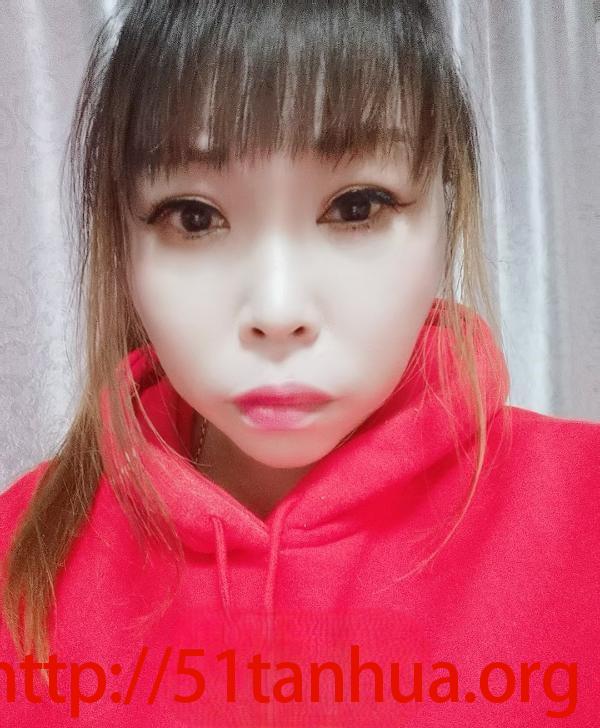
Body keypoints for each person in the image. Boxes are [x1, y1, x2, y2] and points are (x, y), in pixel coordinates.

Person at [1, 1, 598, 726]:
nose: (278, 310)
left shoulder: (583, 514)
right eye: (194, 216)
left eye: (357, 207)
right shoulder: (19, 552)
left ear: (447, 212)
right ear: (122, 241)